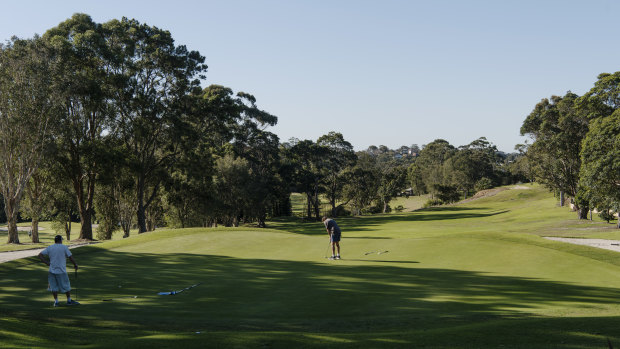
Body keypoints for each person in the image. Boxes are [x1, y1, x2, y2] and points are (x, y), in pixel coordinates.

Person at [38, 235, 80, 307]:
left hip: (52, 270)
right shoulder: (64, 247)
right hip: (61, 271)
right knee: (66, 285)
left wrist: (46, 263)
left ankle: (56, 302)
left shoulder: (50, 247)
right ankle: (69, 301)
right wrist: (75, 264)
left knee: (53, 287)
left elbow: (40, 255)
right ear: (60, 240)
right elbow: (70, 257)